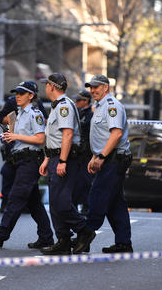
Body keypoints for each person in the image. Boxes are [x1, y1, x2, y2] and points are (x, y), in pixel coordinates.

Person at [0, 81, 54, 249]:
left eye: (22, 93)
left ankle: (0, 234)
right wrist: (8, 136)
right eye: (16, 93)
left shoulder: (34, 113)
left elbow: (40, 138)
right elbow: (18, 135)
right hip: (20, 159)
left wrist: (16, 137)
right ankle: (46, 237)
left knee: (15, 197)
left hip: (30, 160)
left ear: (31, 95)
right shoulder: (19, 113)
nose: (17, 96)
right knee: (34, 203)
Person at [38, 73, 94, 255]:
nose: (45, 87)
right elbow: (54, 137)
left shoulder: (64, 106)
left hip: (66, 159)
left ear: (52, 86)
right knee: (54, 203)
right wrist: (48, 159)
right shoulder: (56, 107)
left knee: (62, 202)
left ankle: (84, 231)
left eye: (46, 84)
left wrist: (62, 160)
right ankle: (62, 240)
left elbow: (67, 135)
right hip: (55, 157)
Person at [77, 74, 133, 254]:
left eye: (96, 87)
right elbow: (102, 136)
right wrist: (95, 157)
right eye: (91, 87)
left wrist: (100, 156)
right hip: (108, 157)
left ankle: (85, 235)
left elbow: (116, 134)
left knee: (97, 196)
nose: (93, 90)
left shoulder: (112, 106)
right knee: (115, 203)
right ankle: (123, 243)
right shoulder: (99, 107)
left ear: (106, 88)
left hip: (113, 159)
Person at [73, 89, 93, 215]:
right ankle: (77, 205)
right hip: (78, 151)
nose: (76, 102)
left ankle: (86, 206)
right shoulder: (78, 113)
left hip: (87, 152)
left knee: (85, 180)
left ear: (86, 101)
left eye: (79, 100)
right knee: (77, 181)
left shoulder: (91, 113)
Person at [0, 95, 18, 213]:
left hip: (27, 147)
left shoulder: (35, 104)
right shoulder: (12, 101)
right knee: (8, 173)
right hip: (11, 149)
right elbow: (1, 118)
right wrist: (16, 119)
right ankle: (5, 201)